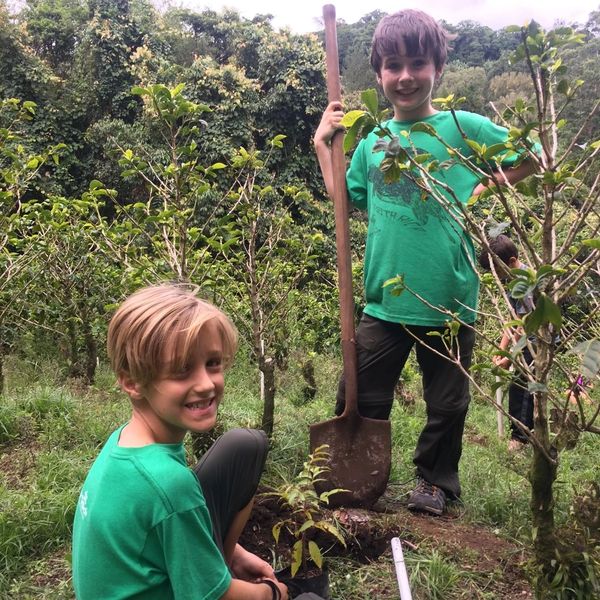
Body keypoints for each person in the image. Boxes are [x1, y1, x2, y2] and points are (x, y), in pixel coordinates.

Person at [313, 9, 536, 515]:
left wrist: (485, 184)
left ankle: (435, 483)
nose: (406, 76)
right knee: (361, 394)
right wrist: (321, 143)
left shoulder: (459, 128)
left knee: (447, 405)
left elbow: (535, 154)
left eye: (418, 63)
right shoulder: (370, 140)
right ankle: (360, 477)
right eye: (394, 65)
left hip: (449, 302)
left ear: (438, 67)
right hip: (384, 302)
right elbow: (343, 205)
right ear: (379, 74)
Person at [72, 283, 289, 600]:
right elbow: (214, 597)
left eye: (212, 363)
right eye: (181, 369)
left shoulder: (123, 443)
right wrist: (273, 592)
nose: (205, 384)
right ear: (132, 381)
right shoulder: (170, 486)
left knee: (246, 445)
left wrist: (236, 555)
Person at [479, 234, 535, 451]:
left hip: (536, 342)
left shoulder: (525, 280)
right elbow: (512, 320)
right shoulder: (513, 281)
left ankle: (520, 438)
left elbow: (524, 324)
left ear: (512, 262)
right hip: (524, 340)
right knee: (520, 386)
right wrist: (502, 350)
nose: (498, 276)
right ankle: (526, 433)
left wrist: (510, 355)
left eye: (499, 270)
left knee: (525, 388)